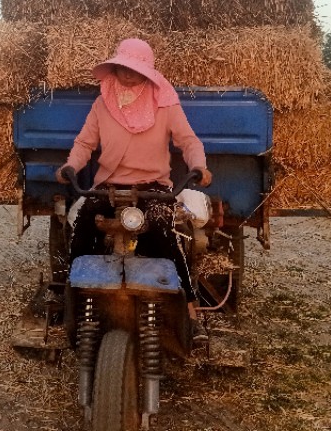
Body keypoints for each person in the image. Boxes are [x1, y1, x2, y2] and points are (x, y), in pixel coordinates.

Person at [55, 38, 213, 341]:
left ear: (147, 73)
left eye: (135, 69)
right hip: (108, 187)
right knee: (83, 230)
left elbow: (188, 141)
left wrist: (199, 166)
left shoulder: (164, 103)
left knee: (164, 237)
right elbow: (85, 143)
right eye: (123, 67)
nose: (127, 74)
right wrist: (70, 167)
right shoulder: (103, 102)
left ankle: (190, 311)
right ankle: (69, 300)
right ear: (114, 66)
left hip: (154, 188)